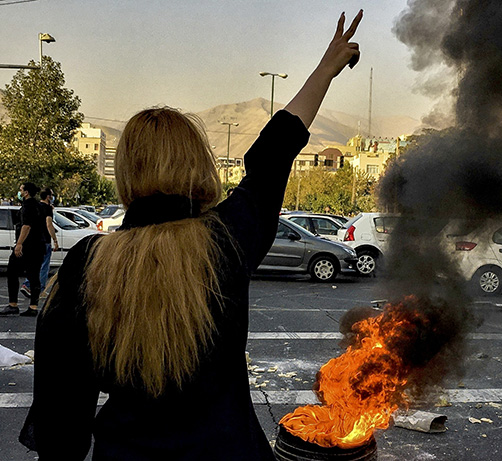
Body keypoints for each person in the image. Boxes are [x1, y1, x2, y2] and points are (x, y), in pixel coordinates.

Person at [19, 11, 362, 460]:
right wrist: (325, 69)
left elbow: (60, 418)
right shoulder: (226, 239)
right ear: (197, 163)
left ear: (126, 173)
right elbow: (273, 154)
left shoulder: (87, 262)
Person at [0, 183, 46, 316]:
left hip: (28, 246)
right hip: (38, 246)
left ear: (26, 193)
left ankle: (13, 304)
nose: (19, 192)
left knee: (12, 271)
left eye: (21, 190)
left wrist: (19, 244)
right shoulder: (38, 206)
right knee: (34, 275)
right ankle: (33, 307)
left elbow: (26, 226)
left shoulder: (28, 206)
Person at [20, 188, 59, 299]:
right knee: (44, 266)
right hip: (44, 240)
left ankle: (29, 285)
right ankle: (37, 288)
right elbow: (49, 224)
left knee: (35, 265)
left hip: (35, 240)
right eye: (51, 194)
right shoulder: (47, 208)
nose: (52, 197)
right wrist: (55, 240)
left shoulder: (36, 206)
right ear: (48, 196)